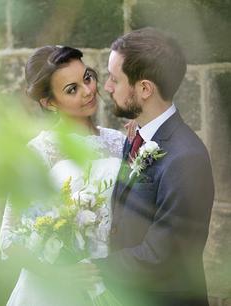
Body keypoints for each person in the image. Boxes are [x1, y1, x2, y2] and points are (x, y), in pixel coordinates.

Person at [0, 45, 130, 306]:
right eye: (72, 89)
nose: (88, 90)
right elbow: (7, 239)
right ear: (49, 103)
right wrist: (60, 274)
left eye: (88, 78)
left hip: (110, 283)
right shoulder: (38, 153)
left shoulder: (119, 142)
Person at [94, 27, 215, 306]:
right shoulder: (139, 134)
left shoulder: (187, 157)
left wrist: (94, 268)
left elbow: (162, 255)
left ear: (145, 88)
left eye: (115, 79)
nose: (108, 87)